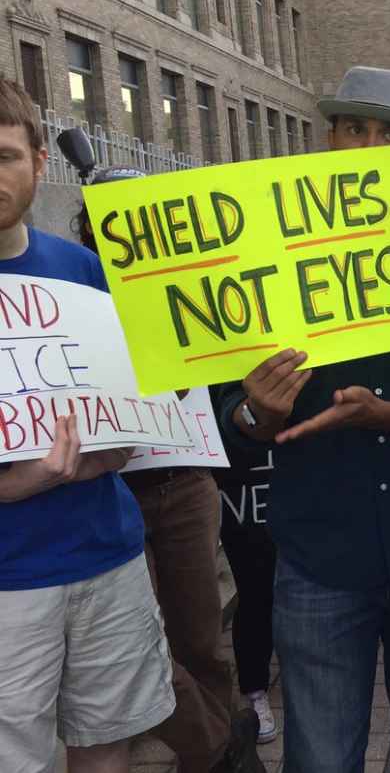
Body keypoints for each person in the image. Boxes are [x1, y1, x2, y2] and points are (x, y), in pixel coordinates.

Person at [217, 66, 390, 773]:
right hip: (319, 557)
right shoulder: (267, 266)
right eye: (355, 128)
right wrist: (257, 408)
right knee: (319, 758)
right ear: (329, 140)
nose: (371, 146)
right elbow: (231, 416)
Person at [0, 78, 177, 773]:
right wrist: (21, 486)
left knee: (107, 748)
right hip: (9, 584)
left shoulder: (88, 275)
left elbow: (131, 418)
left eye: (7, 156)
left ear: (40, 162)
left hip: (107, 559)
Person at [78, 165, 266, 771]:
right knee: (142, 642)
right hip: (110, 489)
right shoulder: (73, 297)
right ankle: (218, 744)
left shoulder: (190, 289)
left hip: (185, 483)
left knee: (199, 639)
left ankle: (206, 754)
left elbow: (210, 383)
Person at [209, 392, 280, 747]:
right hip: (238, 484)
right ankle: (254, 689)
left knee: (305, 585)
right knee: (255, 591)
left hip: (289, 474)